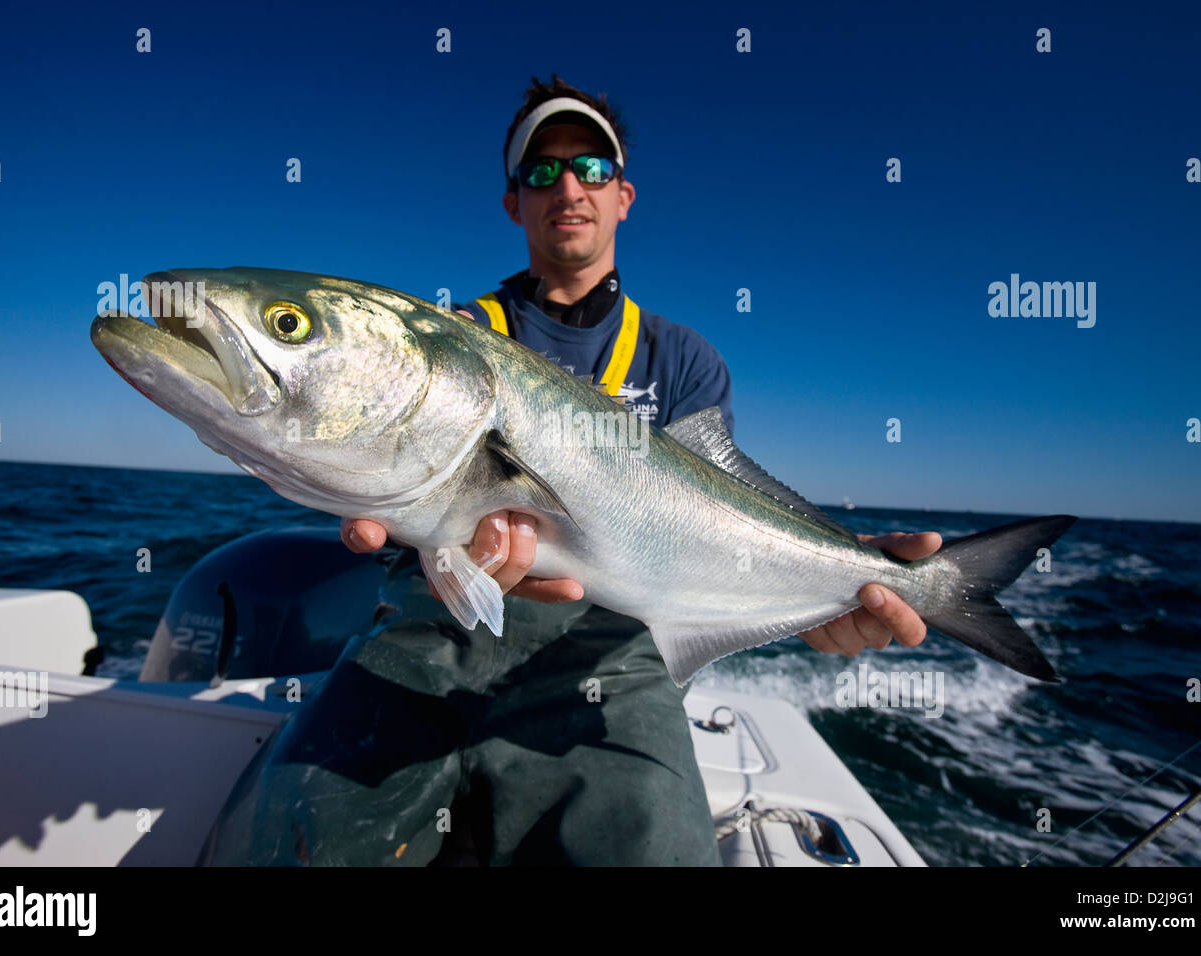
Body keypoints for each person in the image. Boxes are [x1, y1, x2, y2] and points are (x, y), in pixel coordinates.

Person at [204, 76, 941, 867]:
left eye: (590, 168)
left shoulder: (682, 360)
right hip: (423, 635)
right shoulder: (456, 333)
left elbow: (713, 516)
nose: (567, 187)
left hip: (610, 665)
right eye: (540, 171)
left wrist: (821, 583)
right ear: (513, 202)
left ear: (623, 195)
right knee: (298, 841)